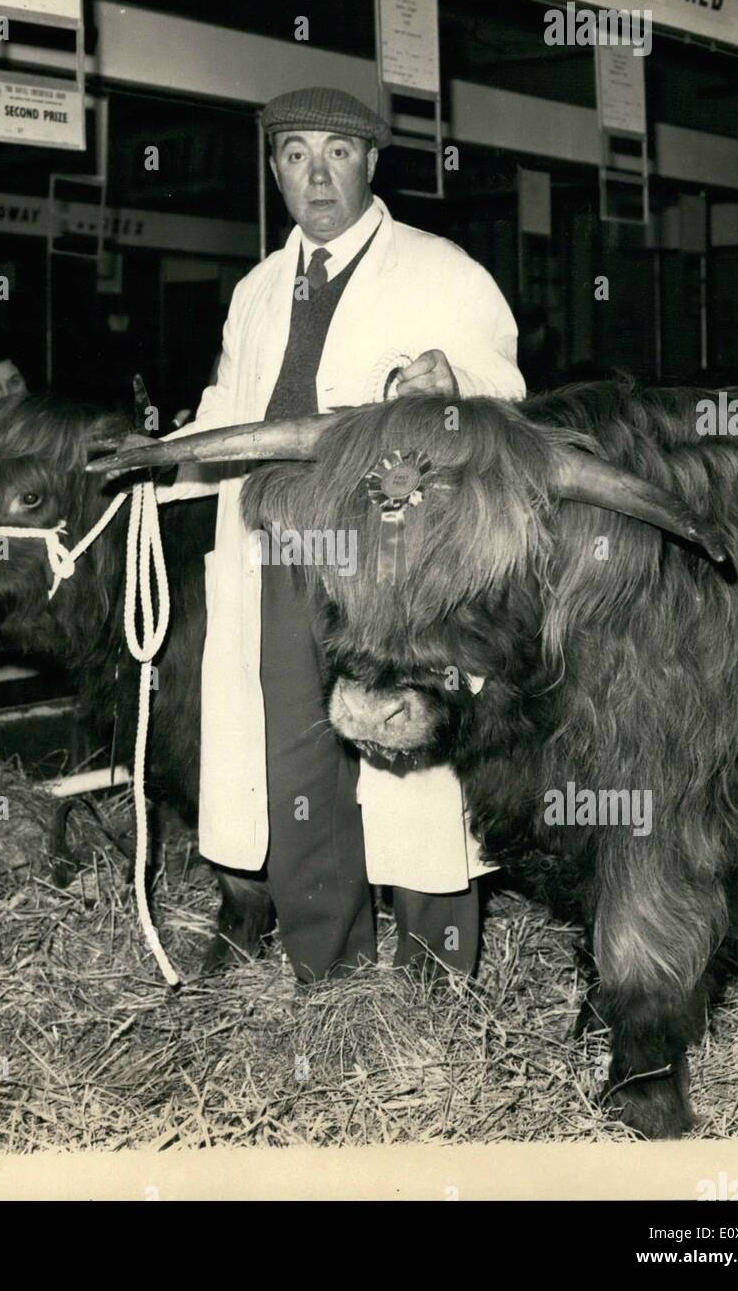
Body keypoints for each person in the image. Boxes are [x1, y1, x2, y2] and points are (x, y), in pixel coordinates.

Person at [159, 87, 524, 985]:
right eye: (294, 155)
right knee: (296, 756)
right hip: (277, 555)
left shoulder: (444, 272)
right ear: (274, 168)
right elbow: (227, 410)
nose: (315, 175)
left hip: (387, 564)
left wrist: (454, 379)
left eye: (336, 152)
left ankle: (435, 980)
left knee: (412, 754)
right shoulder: (253, 292)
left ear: (370, 160)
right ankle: (330, 976)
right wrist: (158, 460)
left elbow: (506, 391)